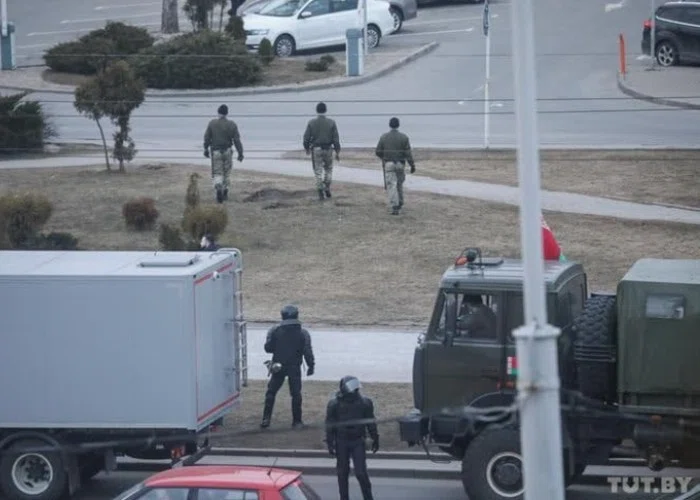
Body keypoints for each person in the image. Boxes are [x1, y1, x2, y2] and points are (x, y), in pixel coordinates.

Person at [260, 305, 315, 429]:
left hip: (278, 366)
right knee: (296, 394)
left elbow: (268, 349)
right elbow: (307, 351)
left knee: (271, 392)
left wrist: (270, 339)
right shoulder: (303, 333)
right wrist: (311, 365)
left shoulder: (275, 330)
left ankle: (266, 419)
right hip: (294, 367)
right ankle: (297, 421)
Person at [325, 375, 379, 500]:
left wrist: (375, 437)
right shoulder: (334, 404)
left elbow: (370, 422)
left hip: (357, 440)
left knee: (361, 473)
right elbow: (330, 425)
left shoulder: (365, 403)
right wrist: (330, 442)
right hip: (342, 441)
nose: (355, 391)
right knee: (342, 473)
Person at [203, 104, 244, 203]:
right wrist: (240, 153)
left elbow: (207, 138)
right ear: (227, 113)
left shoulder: (212, 123)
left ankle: (218, 187)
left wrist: (205, 149)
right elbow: (237, 140)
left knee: (217, 172)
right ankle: (225, 191)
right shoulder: (232, 124)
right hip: (227, 151)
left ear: (218, 112)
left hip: (216, 151)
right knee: (227, 172)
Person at [375, 117, 416, 215]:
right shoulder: (404, 137)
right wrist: (412, 165)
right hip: (400, 164)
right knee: (399, 184)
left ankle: (395, 206)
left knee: (391, 185)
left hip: (388, 163)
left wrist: (384, 157)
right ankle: (400, 202)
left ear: (390, 125)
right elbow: (408, 154)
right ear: (398, 125)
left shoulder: (384, 137)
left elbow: (378, 151)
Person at [303, 102, 341, 201]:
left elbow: (306, 138)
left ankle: (320, 190)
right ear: (326, 110)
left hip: (316, 149)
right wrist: (337, 151)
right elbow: (336, 139)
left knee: (318, 170)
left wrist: (306, 148)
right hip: (328, 148)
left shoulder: (311, 123)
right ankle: (327, 187)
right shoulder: (331, 122)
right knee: (329, 169)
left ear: (317, 110)